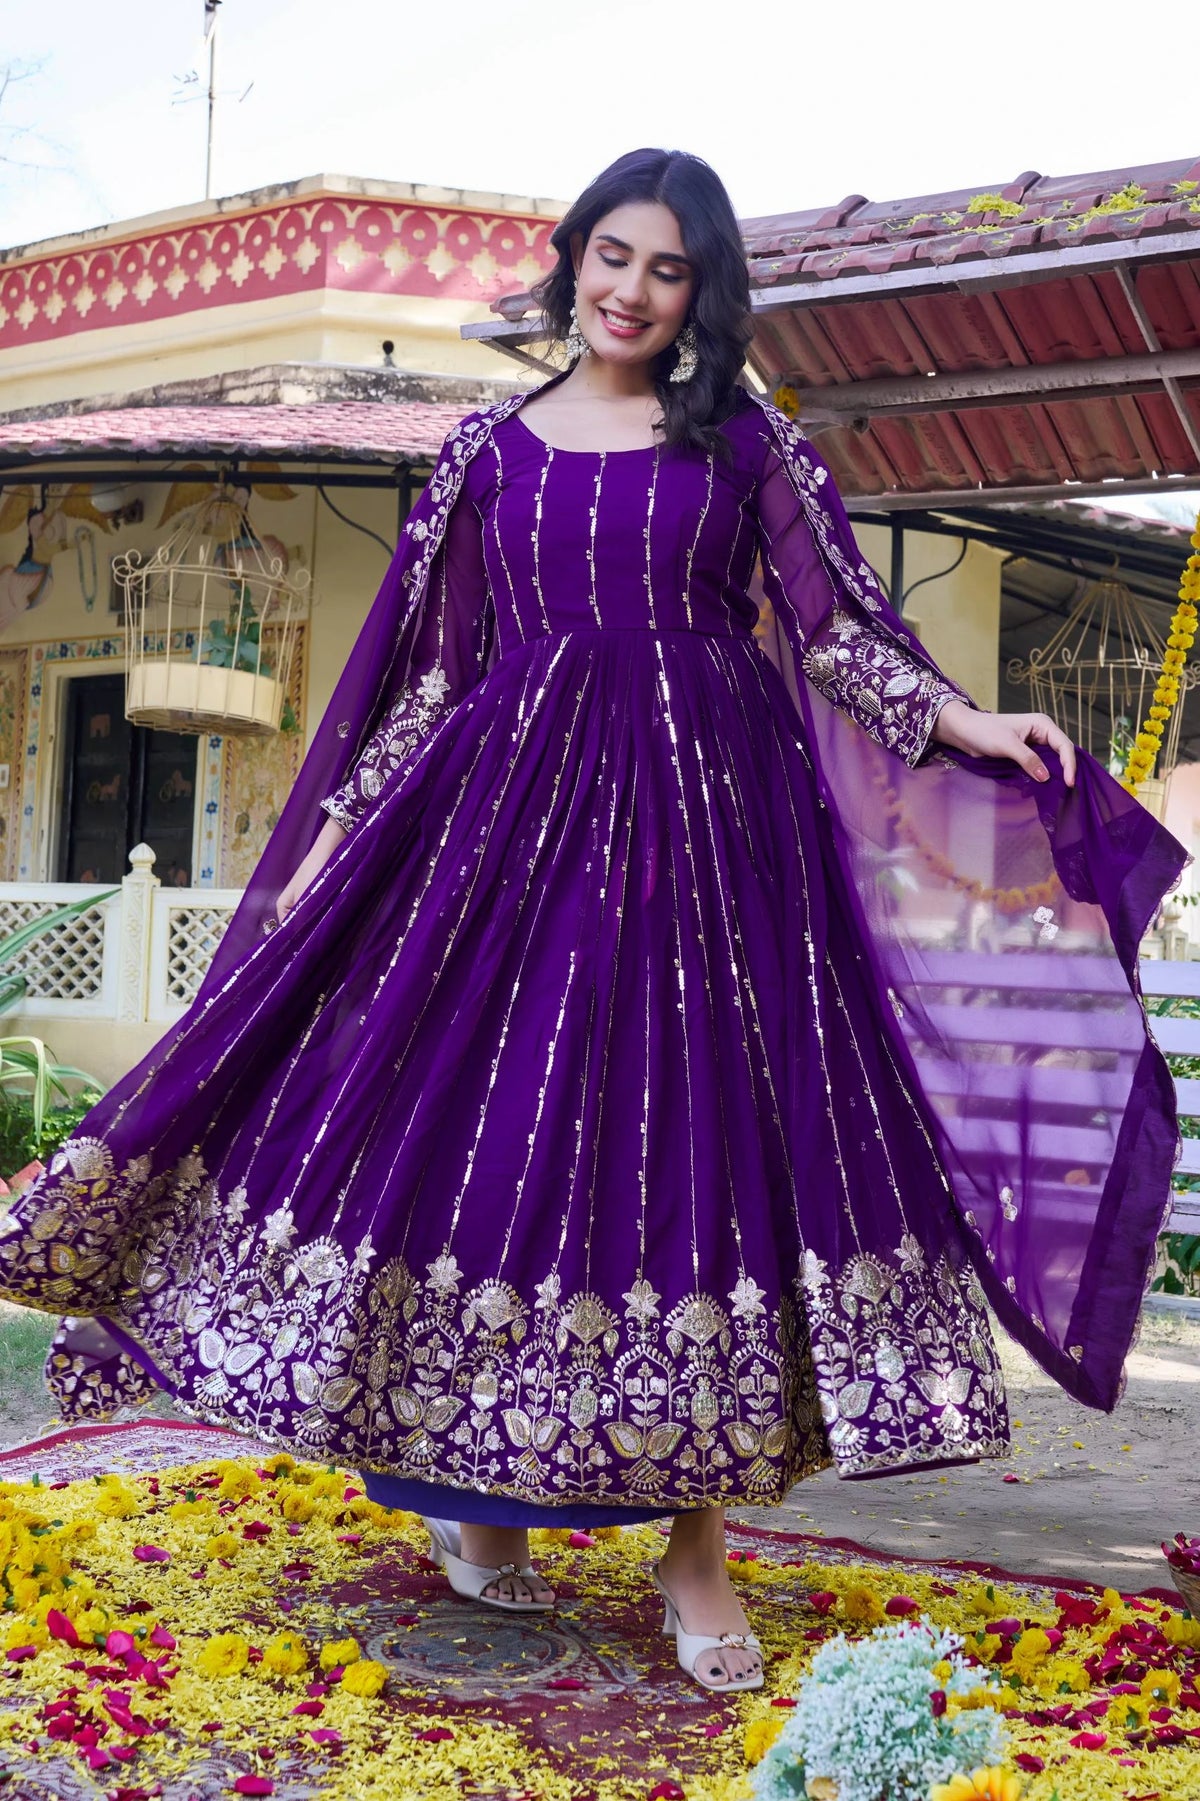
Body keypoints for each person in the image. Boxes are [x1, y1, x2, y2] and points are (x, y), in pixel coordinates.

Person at [0, 149, 1184, 1695]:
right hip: (502, 843)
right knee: (490, 1151)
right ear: (572, 262)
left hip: (708, 840)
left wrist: (959, 722)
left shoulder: (741, 443)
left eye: (668, 268)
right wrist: (332, 840)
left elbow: (834, 628)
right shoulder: (485, 449)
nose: (631, 290)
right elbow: (431, 674)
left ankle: (693, 1544)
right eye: (611, 256)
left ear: (703, 295)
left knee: (693, 1157)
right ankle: (489, 1498)